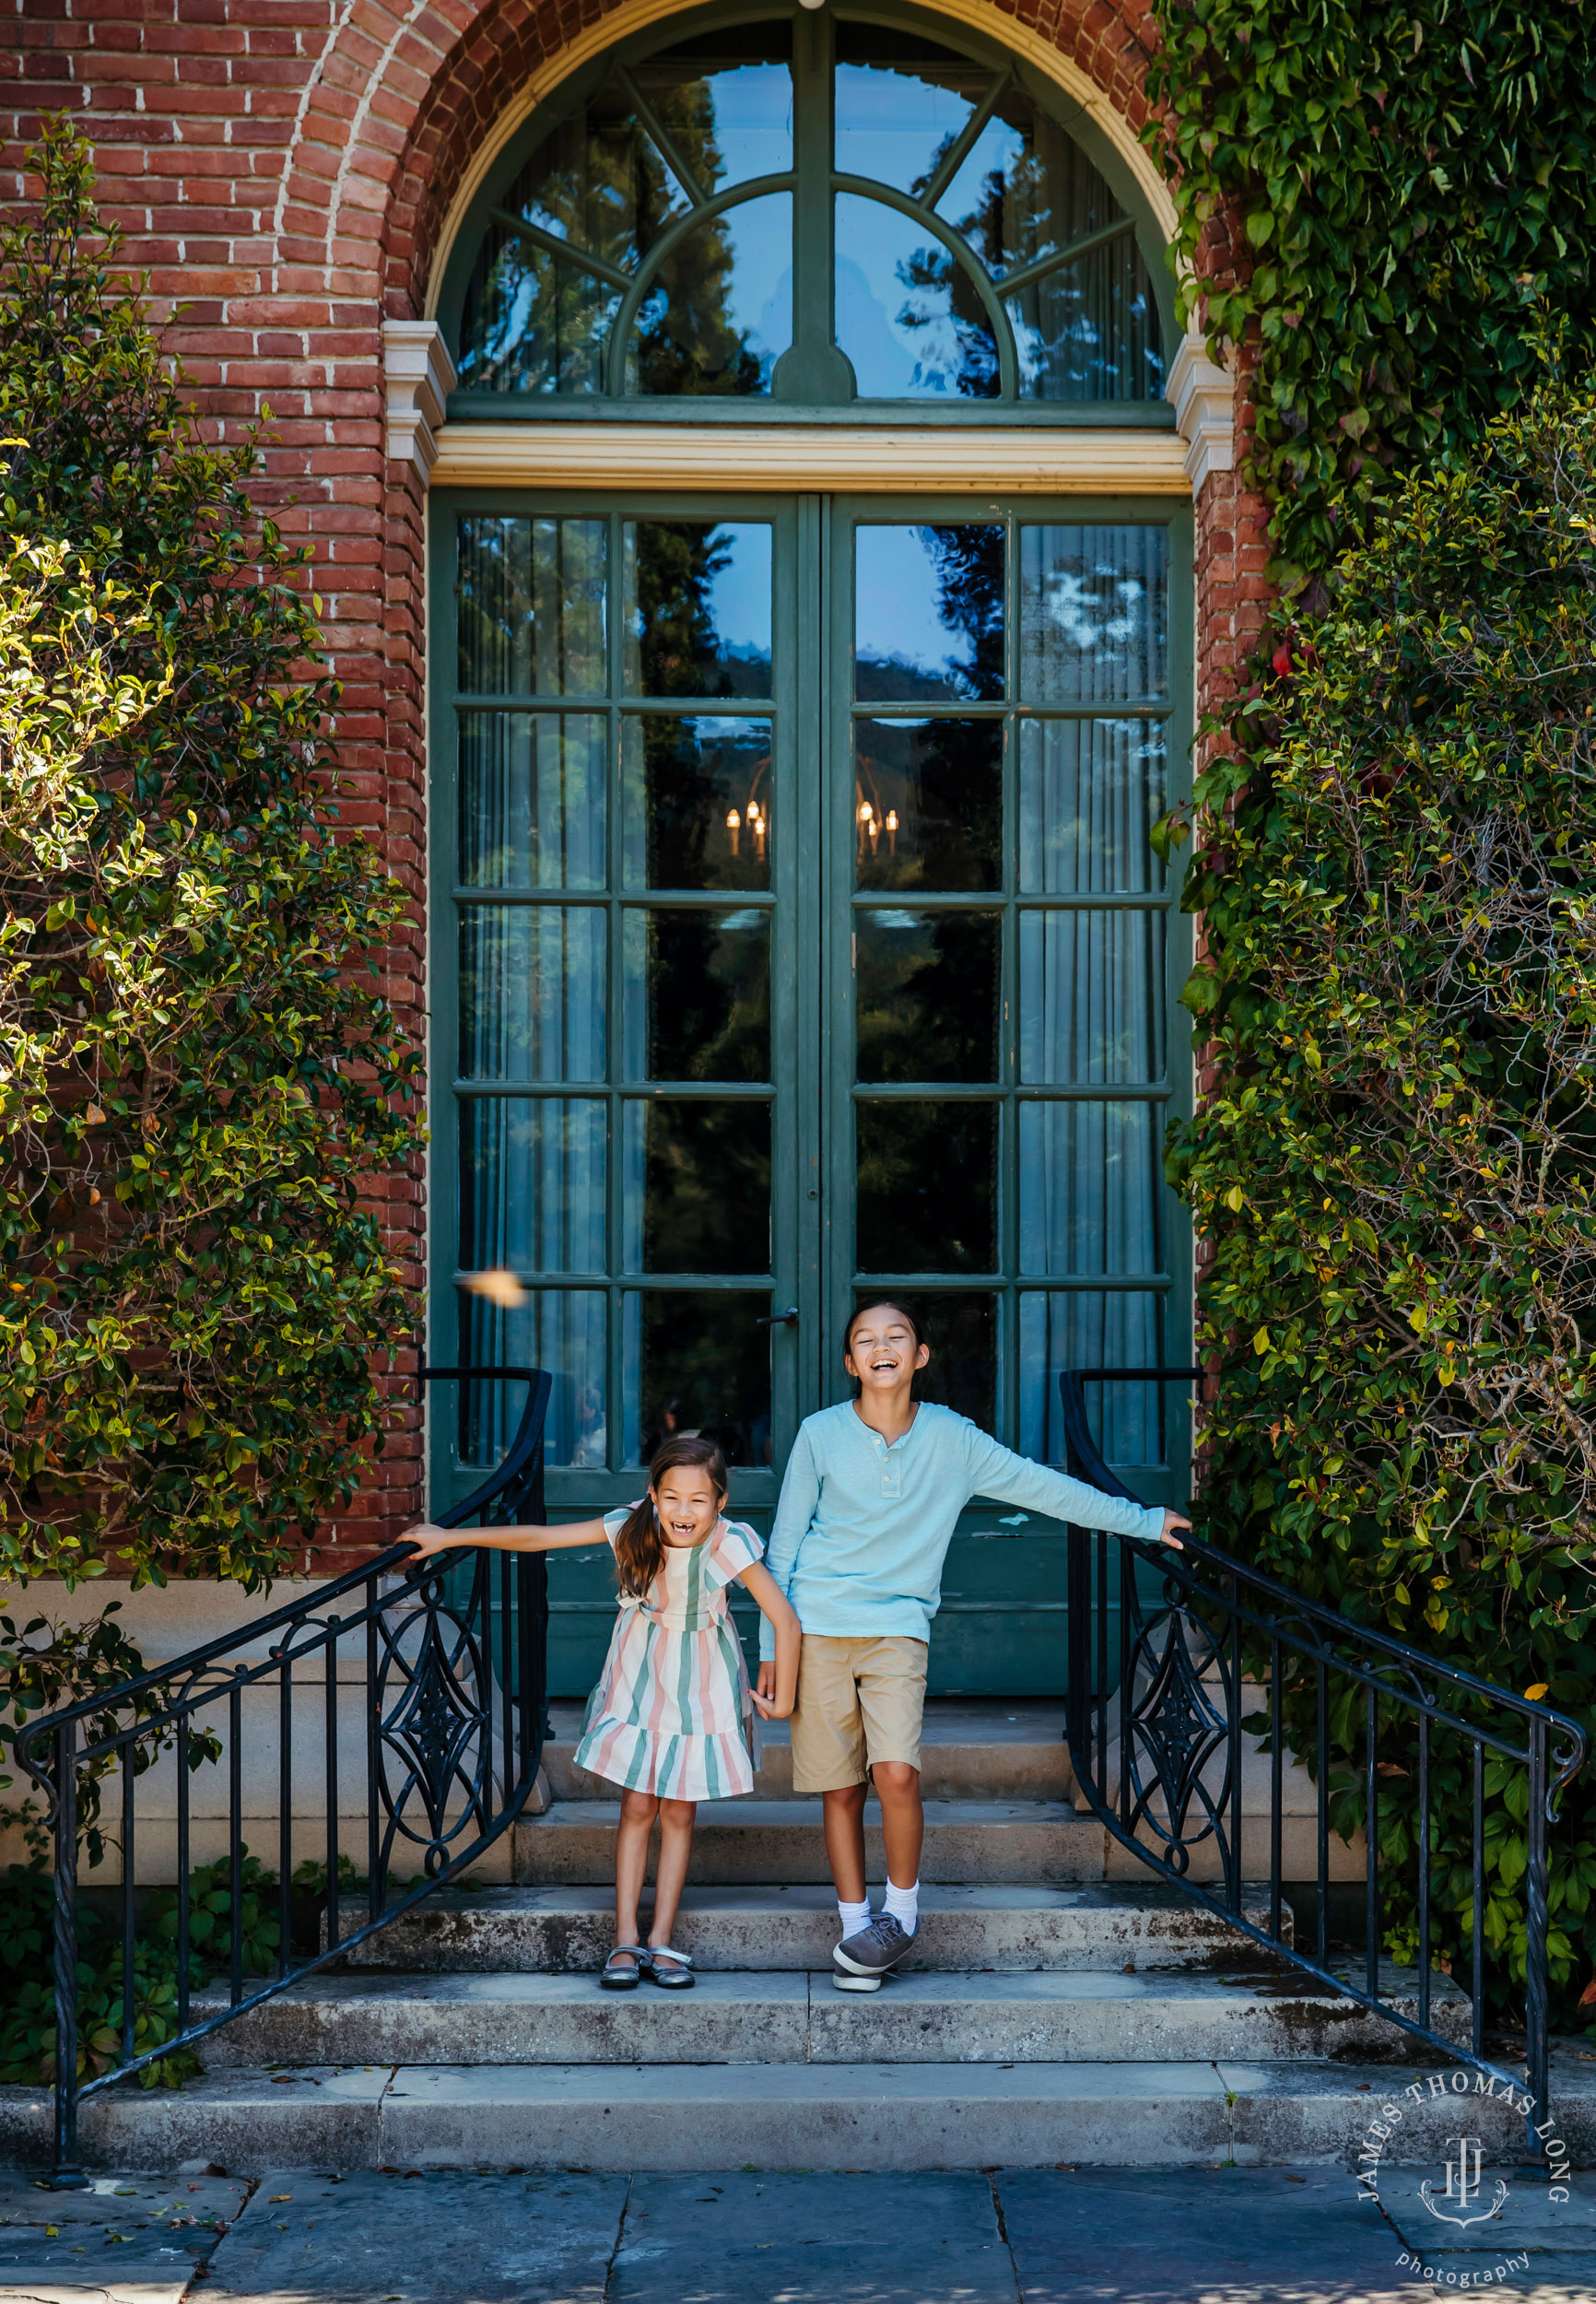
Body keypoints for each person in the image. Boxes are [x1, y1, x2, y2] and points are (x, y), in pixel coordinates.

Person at [757, 1301, 1192, 1992]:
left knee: (895, 1773)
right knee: (839, 1788)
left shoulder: (954, 1440)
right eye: (865, 1340)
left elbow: (1042, 1486)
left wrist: (1141, 1520)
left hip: (897, 1627)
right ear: (850, 1364)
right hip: (816, 1624)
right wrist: (773, 1650)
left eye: (896, 1335)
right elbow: (781, 1548)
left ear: (920, 1356)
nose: (881, 1347)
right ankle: (856, 1931)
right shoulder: (820, 1434)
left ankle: (899, 1917)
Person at [405, 1434, 801, 1992]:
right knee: (638, 1805)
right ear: (652, 1495)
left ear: (720, 1503)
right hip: (640, 1678)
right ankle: (625, 1937)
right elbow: (540, 1537)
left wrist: (783, 1696)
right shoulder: (633, 1524)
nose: (683, 1512)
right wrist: (452, 1537)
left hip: (702, 1683)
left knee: (680, 1813)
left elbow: (785, 1619)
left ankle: (661, 1939)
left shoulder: (729, 1544)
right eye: (671, 1497)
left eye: (698, 1500)